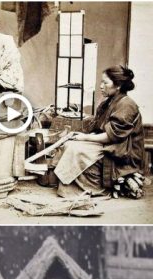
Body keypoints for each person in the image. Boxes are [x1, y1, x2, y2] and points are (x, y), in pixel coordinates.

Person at [54, 65, 145, 198]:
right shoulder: (109, 101)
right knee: (69, 144)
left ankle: (93, 188)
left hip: (122, 151)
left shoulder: (127, 104)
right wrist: (83, 135)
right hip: (110, 143)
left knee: (77, 149)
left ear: (118, 85)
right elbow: (100, 127)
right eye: (101, 82)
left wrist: (84, 138)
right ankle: (67, 185)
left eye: (105, 83)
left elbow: (111, 136)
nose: (101, 86)